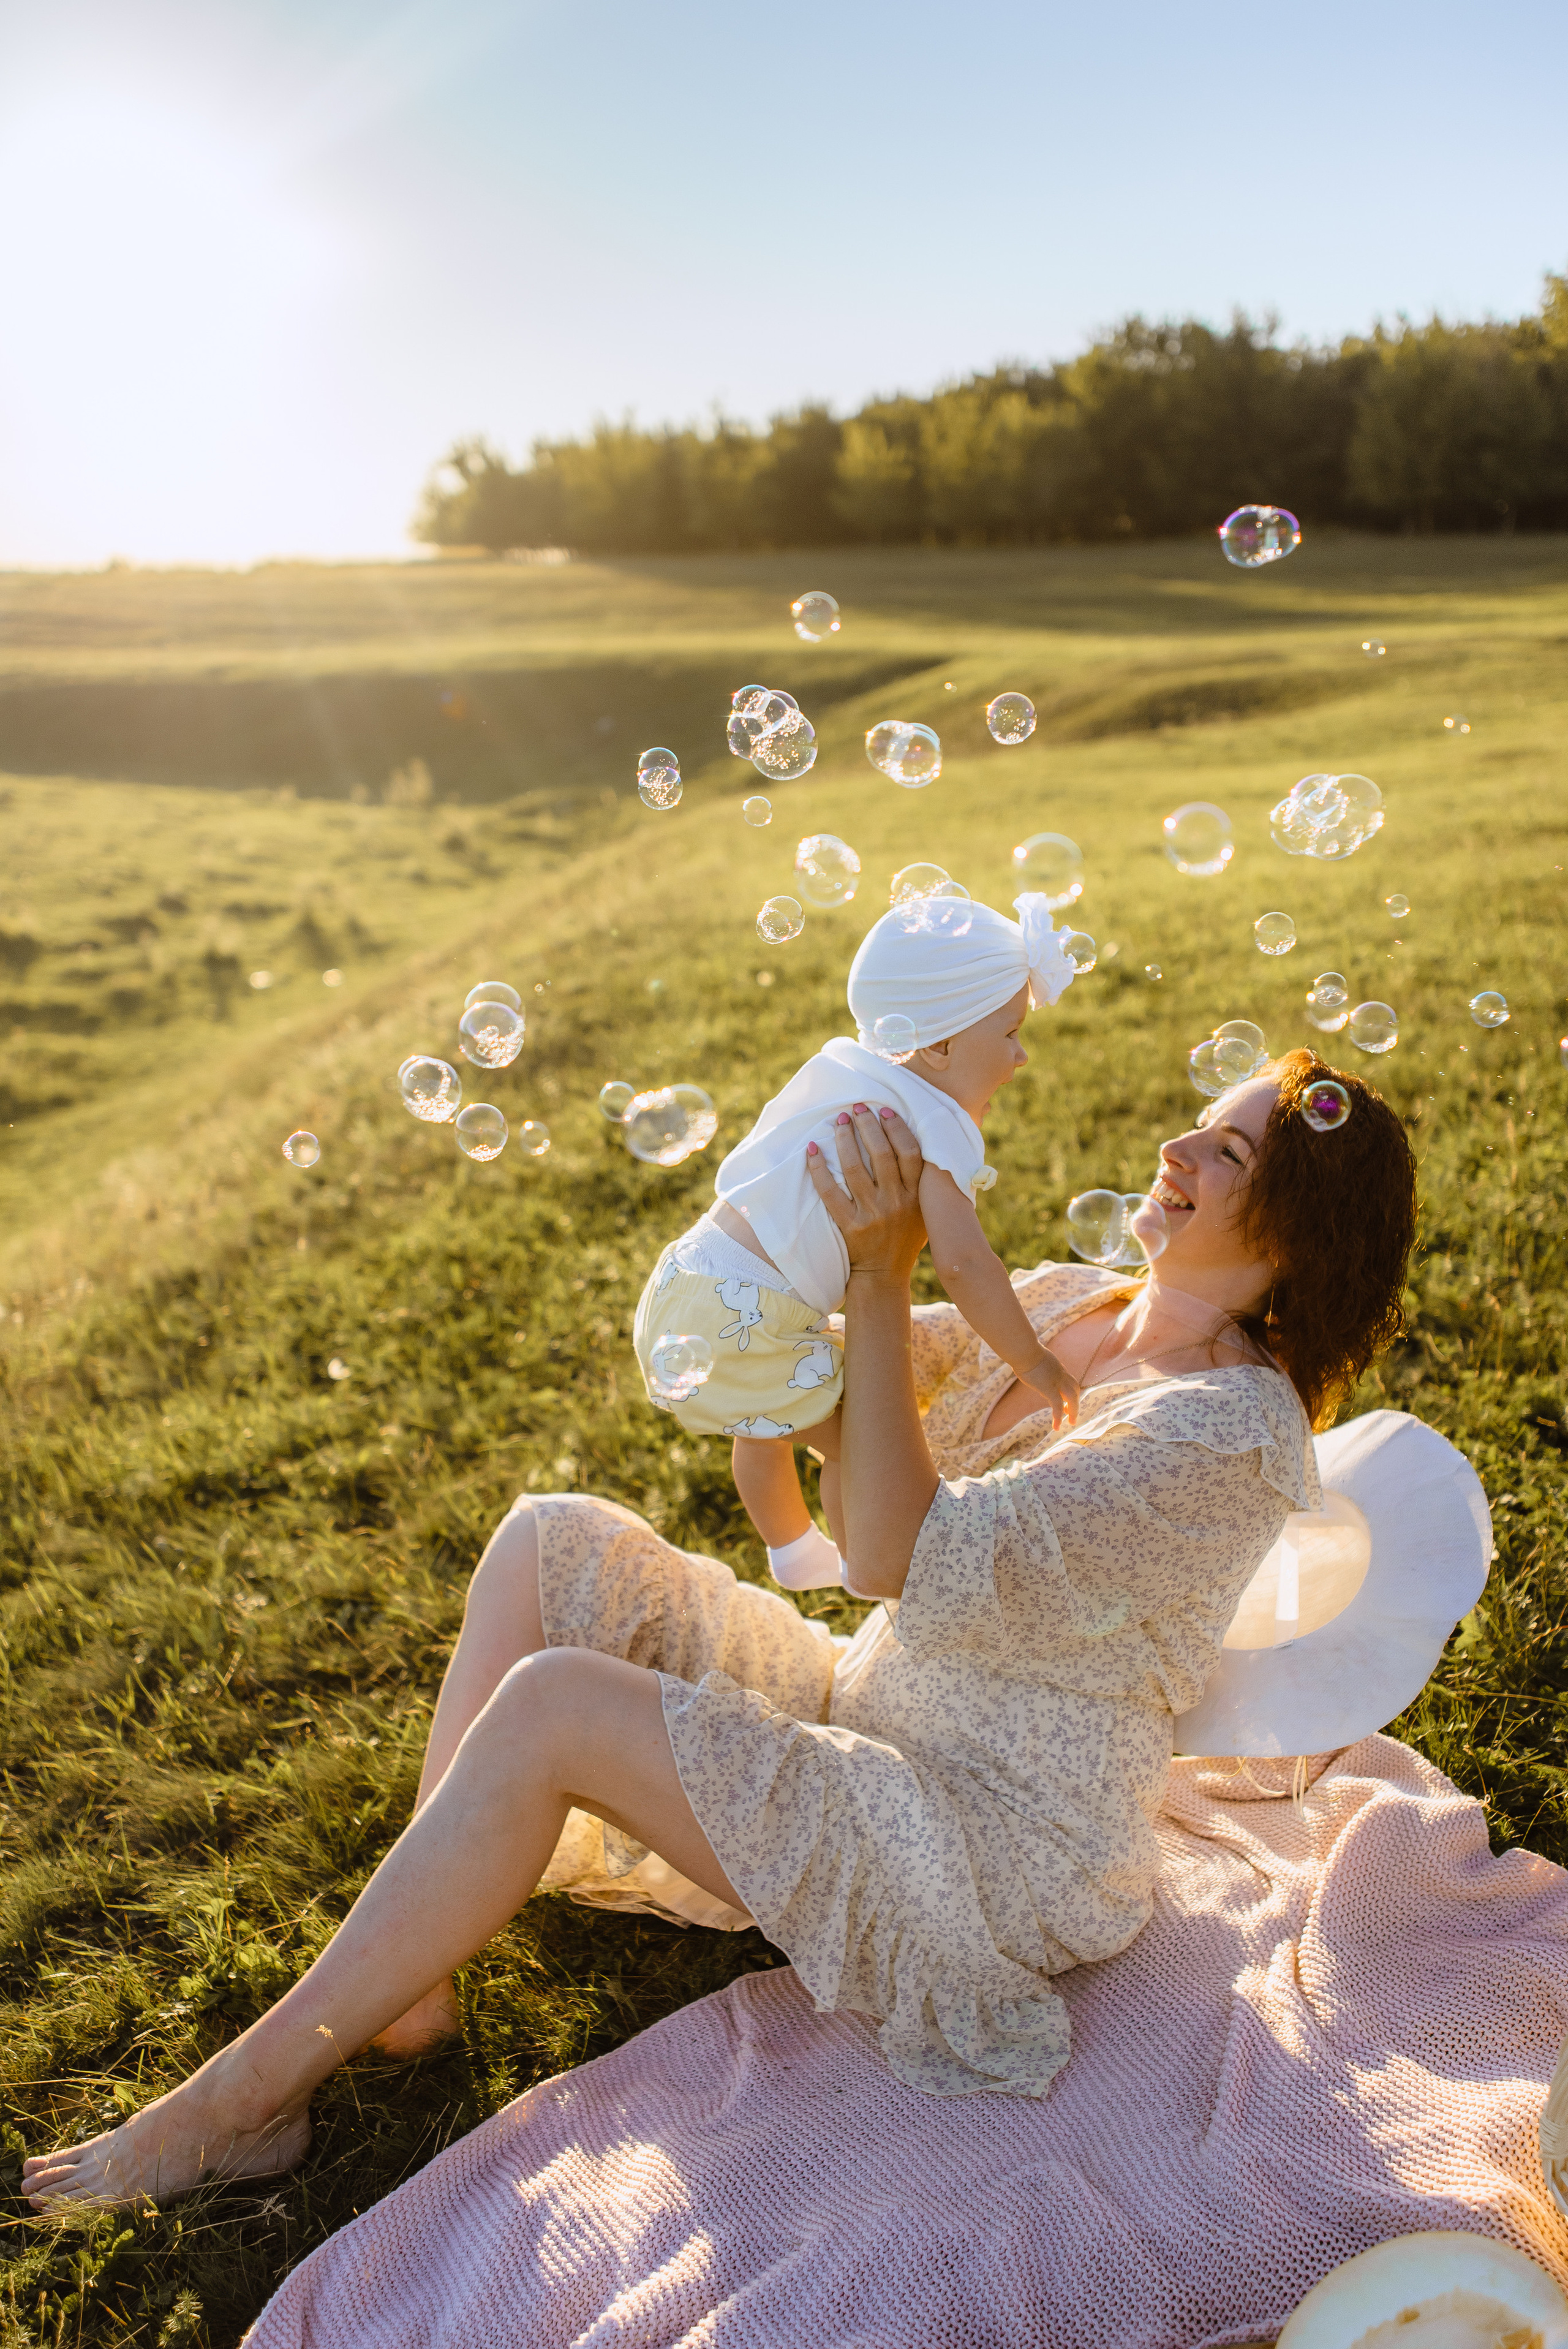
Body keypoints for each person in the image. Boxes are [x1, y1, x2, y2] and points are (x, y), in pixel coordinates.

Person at [23, 1048, 1417, 2211]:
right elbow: (823, 1381)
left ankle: (238, 2105)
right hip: (878, 1711)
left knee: (559, 1702)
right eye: (1201, 1119)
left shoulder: (1219, 1434)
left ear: (1297, 1232)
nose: (1177, 1141)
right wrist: (769, 1236)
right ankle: (409, 1992)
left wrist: (877, 1281)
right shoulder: (1068, 1303)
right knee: (550, 1535)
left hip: (986, 1844)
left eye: (1225, 1150)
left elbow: (888, 1546)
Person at [632, 892, 1080, 1592]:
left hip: (688, 1278)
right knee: (859, 1445)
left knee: (766, 1418)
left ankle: (790, 1549)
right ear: (940, 1044)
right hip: (749, 1310)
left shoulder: (842, 1067)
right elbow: (964, 1264)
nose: (1021, 1057)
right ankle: (858, 1564)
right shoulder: (938, 1123)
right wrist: (1034, 1360)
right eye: (1012, 1033)